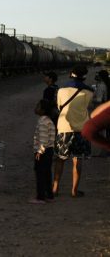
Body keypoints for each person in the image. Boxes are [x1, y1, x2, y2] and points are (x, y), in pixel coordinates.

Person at [52, 65, 94, 198]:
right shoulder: (89, 92)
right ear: (84, 76)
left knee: (60, 159)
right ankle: (74, 191)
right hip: (81, 129)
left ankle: (55, 188)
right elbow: (87, 107)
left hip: (64, 128)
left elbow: (59, 107)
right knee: (77, 160)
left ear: (71, 74)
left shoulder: (61, 90)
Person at [30, 99, 57, 204]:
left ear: (42, 110)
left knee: (40, 173)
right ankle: (49, 195)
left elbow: (43, 140)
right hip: (49, 150)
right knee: (47, 173)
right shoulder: (49, 120)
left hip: (43, 151)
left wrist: (39, 152)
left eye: (38, 106)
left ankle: (41, 197)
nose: (36, 108)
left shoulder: (42, 122)